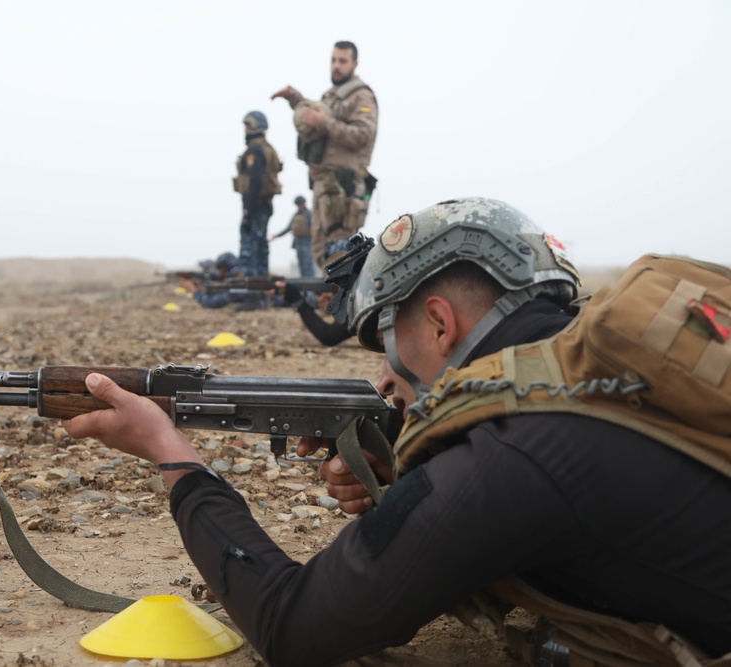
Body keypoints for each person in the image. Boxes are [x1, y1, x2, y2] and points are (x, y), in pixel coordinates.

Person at [62, 198, 731, 667]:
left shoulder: (508, 456)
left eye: (386, 337)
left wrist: (172, 454)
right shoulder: (603, 384)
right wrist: (411, 483)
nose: (385, 376)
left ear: (440, 322)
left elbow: (294, 626)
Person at [271, 41, 378, 270]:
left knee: (340, 253)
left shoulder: (361, 96)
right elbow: (316, 119)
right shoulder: (334, 95)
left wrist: (325, 122)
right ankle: (330, 303)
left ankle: (346, 304)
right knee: (322, 252)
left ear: (354, 64)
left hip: (343, 188)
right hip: (325, 186)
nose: (336, 66)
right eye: (333, 60)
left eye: (342, 61)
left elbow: (362, 134)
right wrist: (294, 99)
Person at [233, 110, 282, 311]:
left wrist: (247, 210)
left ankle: (253, 295)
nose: (245, 130)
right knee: (261, 248)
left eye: (248, 125)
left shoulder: (255, 151)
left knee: (251, 250)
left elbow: (254, 182)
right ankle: (260, 294)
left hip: (256, 205)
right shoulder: (268, 149)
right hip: (264, 204)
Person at [270, 195, 317, 278]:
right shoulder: (295, 215)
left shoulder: (309, 214)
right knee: (301, 264)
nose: (299, 206)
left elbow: (315, 229)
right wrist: (277, 236)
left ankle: (310, 282)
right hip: (298, 242)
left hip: (307, 242)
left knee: (308, 264)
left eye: (300, 204)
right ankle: (305, 282)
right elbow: (289, 228)